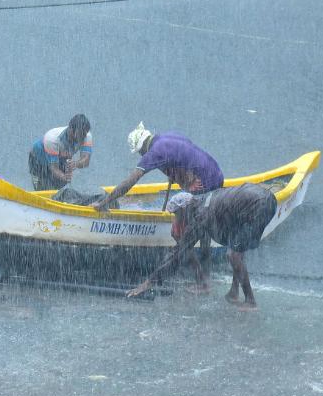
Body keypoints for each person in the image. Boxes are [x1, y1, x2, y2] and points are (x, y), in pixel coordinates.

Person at [91, 122, 224, 291]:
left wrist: (105, 202)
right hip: (216, 175)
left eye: (139, 152)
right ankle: (205, 277)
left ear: (141, 148)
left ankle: (201, 281)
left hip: (203, 185)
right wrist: (180, 176)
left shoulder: (154, 153)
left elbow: (130, 182)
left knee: (179, 234)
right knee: (204, 232)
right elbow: (186, 154)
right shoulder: (167, 136)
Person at [126, 184, 278, 311]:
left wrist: (149, 282)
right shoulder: (204, 201)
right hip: (267, 198)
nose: (176, 219)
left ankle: (250, 302)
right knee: (236, 245)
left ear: (185, 209)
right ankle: (234, 292)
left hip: (258, 205)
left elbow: (178, 253)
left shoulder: (201, 216)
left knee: (233, 255)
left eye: (176, 215)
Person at [28, 114, 93, 190]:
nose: (82, 138)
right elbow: (54, 168)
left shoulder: (86, 136)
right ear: (71, 130)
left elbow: (86, 161)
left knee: (61, 186)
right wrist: (64, 177)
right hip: (38, 160)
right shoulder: (52, 139)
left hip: (59, 156)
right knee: (43, 187)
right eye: (80, 135)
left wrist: (75, 164)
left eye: (84, 135)